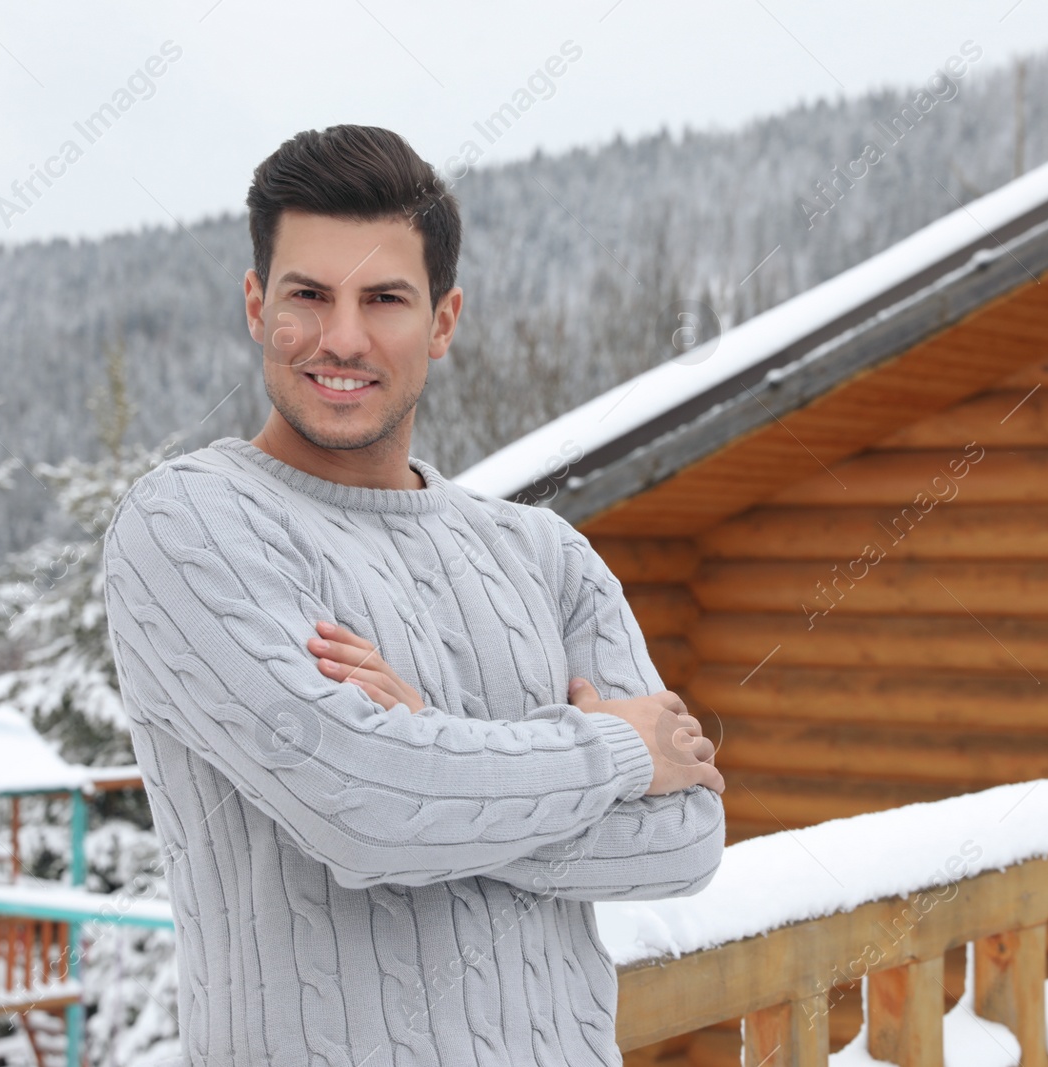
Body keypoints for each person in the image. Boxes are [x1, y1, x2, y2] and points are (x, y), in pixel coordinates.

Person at [101, 124, 725, 1067]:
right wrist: (610, 749)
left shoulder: (545, 554)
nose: (341, 337)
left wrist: (429, 747)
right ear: (257, 304)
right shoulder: (190, 522)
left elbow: (684, 837)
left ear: (442, 319)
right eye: (309, 294)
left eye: (384, 298)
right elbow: (360, 808)